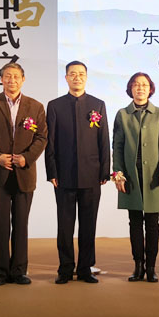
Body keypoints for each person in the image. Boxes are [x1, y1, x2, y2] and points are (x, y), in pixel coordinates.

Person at [0, 62, 47, 286]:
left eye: (16, 76)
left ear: (23, 79)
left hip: (24, 173)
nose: (11, 80)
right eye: (7, 76)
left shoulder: (35, 106)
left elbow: (41, 137)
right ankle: (0, 271)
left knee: (21, 224)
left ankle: (19, 270)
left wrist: (27, 157)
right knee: (0, 225)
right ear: (1, 79)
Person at [45, 61, 110, 284]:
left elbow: (104, 140)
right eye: (72, 74)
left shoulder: (97, 104)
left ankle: (85, 268)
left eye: (81, 74)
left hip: (92, 174)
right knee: (65, 225)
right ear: (66, 78)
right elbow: (50, 142)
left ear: (86, 77)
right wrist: (52, 171)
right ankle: (65, 268)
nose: (77, 77)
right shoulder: (55, 105)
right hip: (64, 175)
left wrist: (104, 171)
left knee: (88, 225)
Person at [113, 72, 159, 283]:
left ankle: (151, 267)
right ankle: (138, 265)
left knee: (153, 223)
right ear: (130, 89)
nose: (140, 88)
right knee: (135, 222)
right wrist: (118, 174)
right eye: (136, 85)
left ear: (150, 89)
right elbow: (117, 147)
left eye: (144, 85)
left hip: (154, 176)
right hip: (131, 175)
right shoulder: (122, 114)